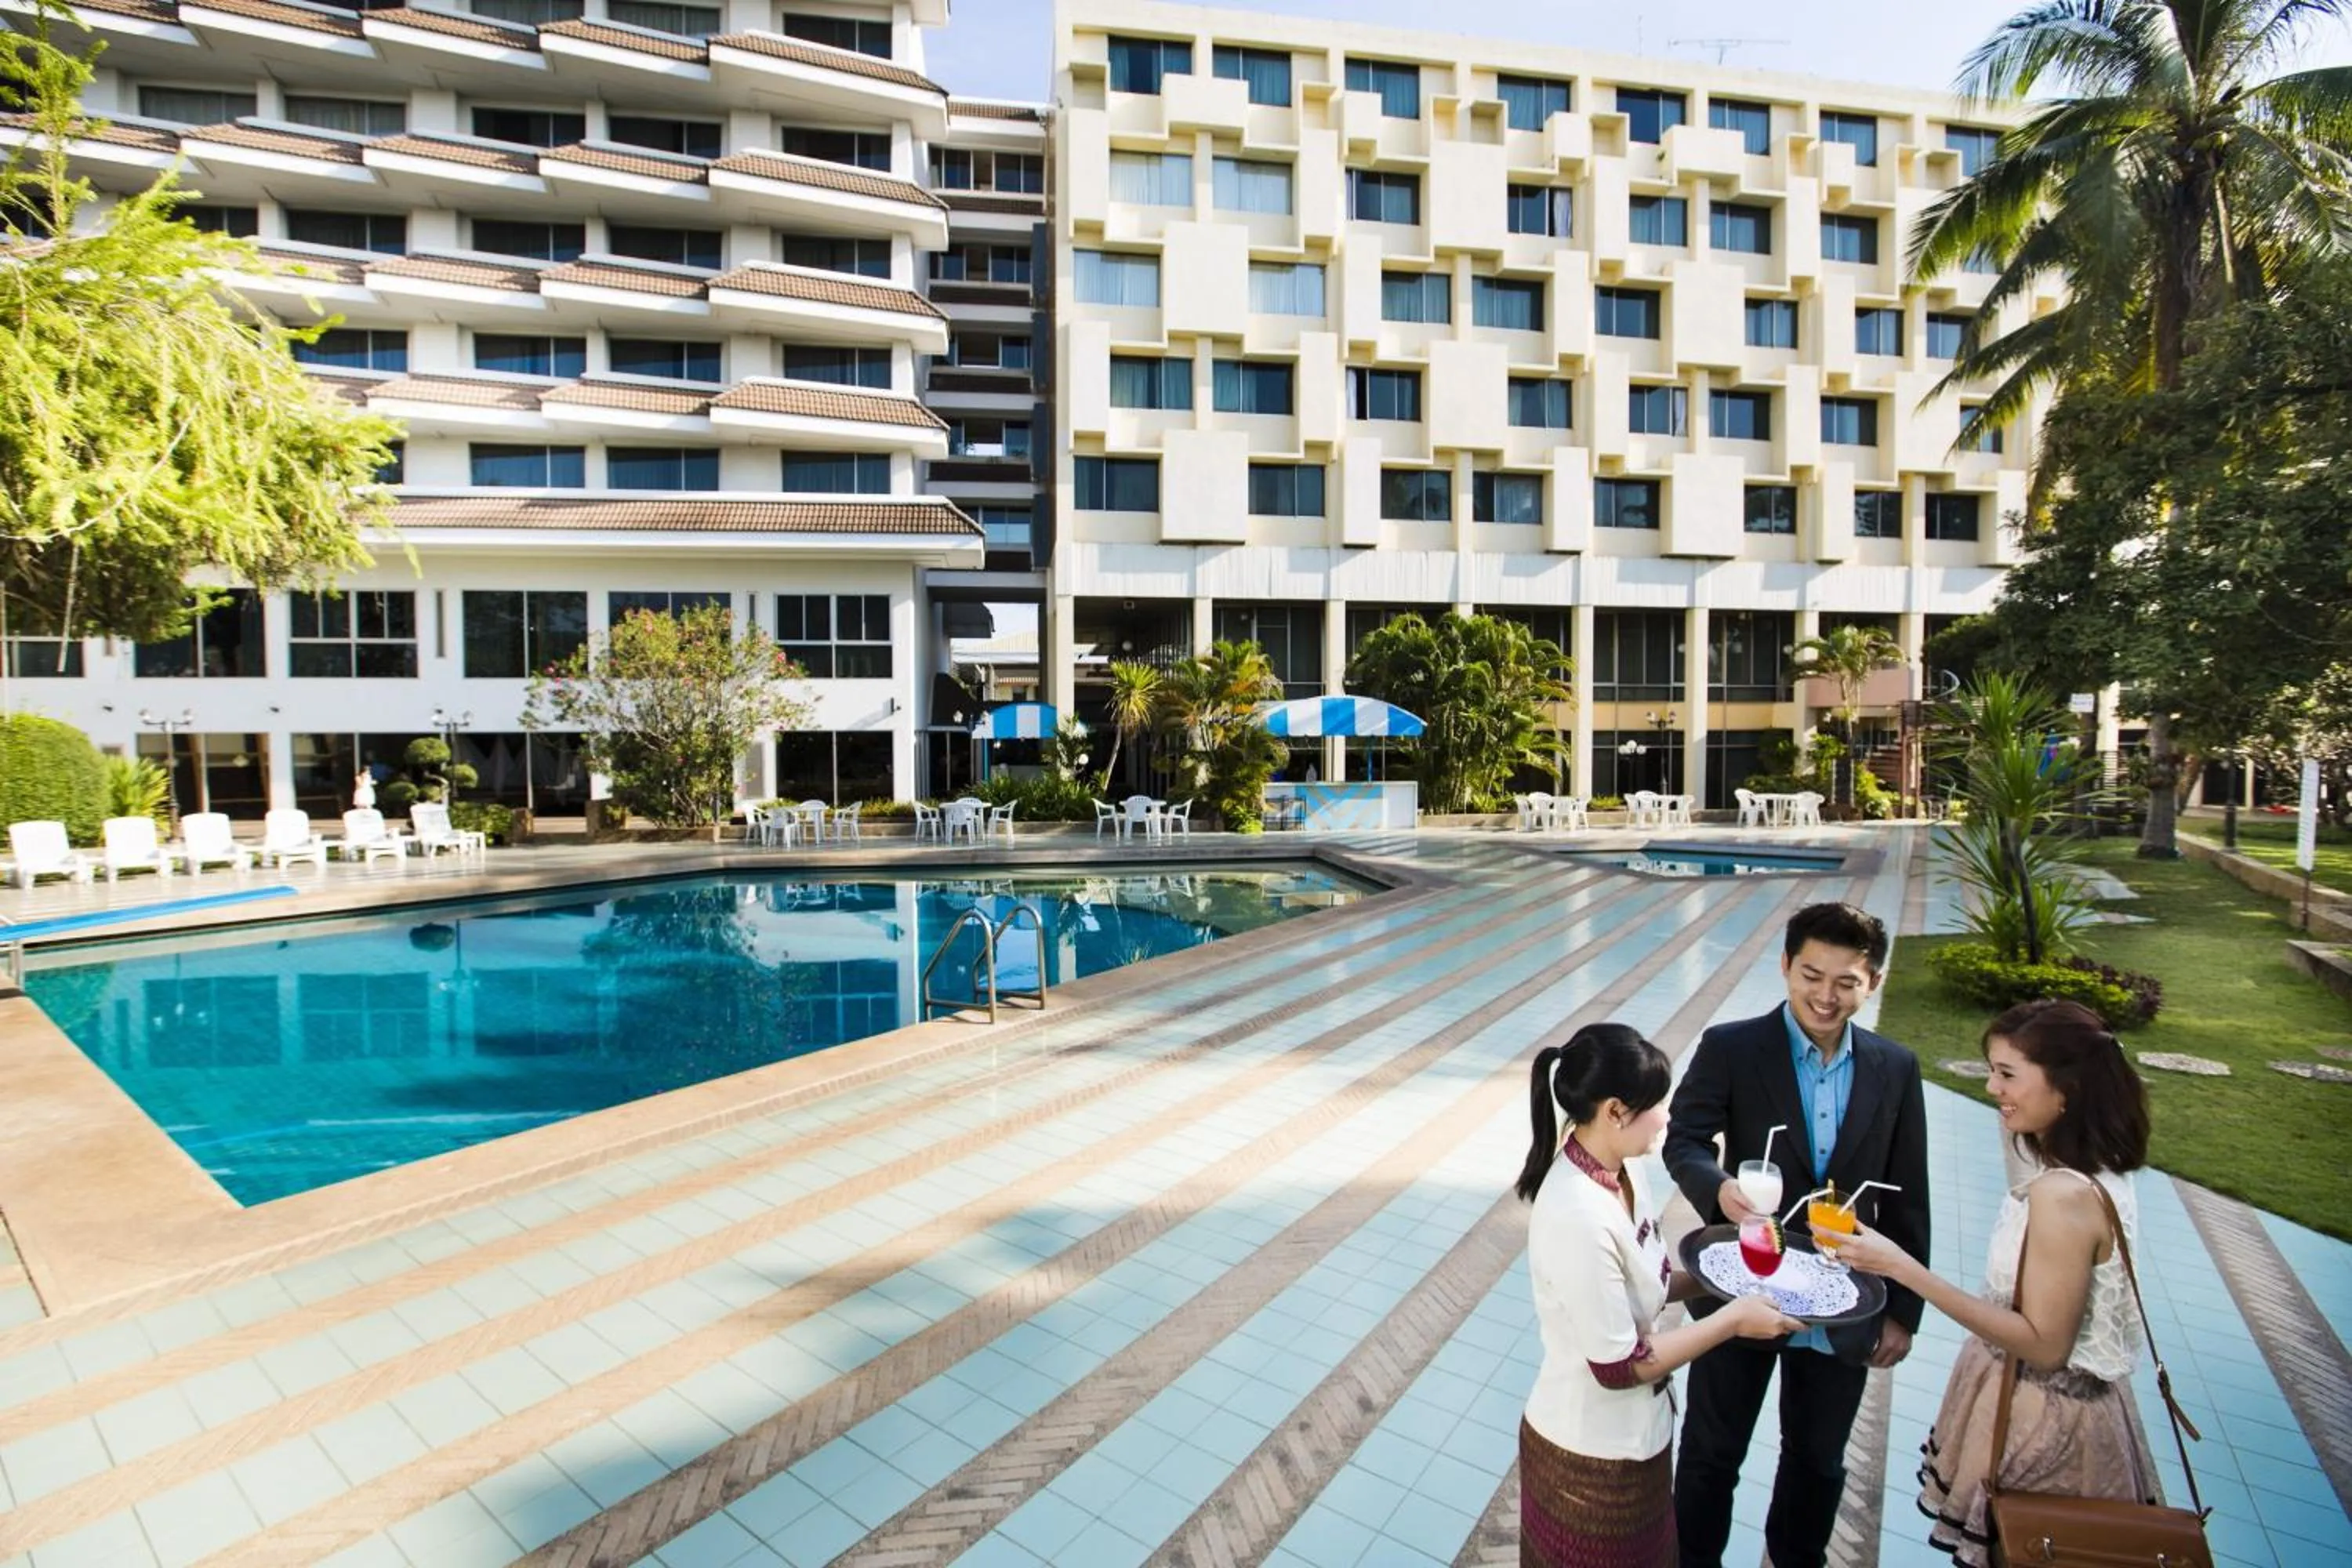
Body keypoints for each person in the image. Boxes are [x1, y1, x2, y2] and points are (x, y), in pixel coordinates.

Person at [1835, 999, 2163, 1567]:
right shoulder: (2080, 1168)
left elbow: (2044, 1343)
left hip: (2047, 1427)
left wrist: (1899, 1266)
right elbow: (2021, 1167)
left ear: (2069, 1087)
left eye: (2007, 1075)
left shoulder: (2062, 1196)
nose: (1992, 1088)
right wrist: (2017, 1100)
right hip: (2041, 1405)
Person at [1664, 902, 1931, 1568]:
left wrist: (1903, 1312)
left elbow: (1908, 1192)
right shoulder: (1732, 1047)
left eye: (1847, 982)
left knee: (1817, 1462)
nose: (1827, 996)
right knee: (1710, 1455)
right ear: (1785, 966)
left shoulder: (1896, 1067)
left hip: (1844, 1302)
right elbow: (1685, 1140)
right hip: (1741, 1289)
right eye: (1812, 975)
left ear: (1873, 981)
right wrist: (1717, 1187)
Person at [1519, 1024, 1802, 1568]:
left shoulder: (1622, 1171)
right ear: (1616, 1111)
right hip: (1588, 1460)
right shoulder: (1577, 1213)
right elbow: (1619, 1367)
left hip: (1640, 1442)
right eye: (1658, 1106)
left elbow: (1650, 1282)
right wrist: (1732, 1321)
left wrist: (1737, 1273)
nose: (1667, 1118)